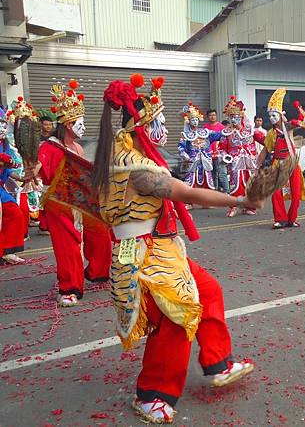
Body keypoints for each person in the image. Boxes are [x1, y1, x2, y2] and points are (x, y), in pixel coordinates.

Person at [92, 74, 260, 424]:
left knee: (208, 290)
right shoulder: (136, 166)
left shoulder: (121, 156)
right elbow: (186, 192)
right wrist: (238, 199)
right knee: (177, 316)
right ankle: (152, 393)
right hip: (145, 253)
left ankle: (219, 363)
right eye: (160, 123)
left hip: (163, 247)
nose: (165, 130)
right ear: (141, 126)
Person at [37, 80, 112, 307]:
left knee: (101, 232)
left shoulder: (78, 147)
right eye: (80, 122)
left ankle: (97, 271)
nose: (84, 126)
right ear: (69, 124)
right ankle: (69, 287)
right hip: (59, 204)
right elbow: (40, 170)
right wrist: (33, 168)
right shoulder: (49, 147)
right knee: (67, 245)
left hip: (82, 200)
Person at [257, 88, 305, 229]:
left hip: (291, 163)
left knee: (296, 190)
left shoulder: (288, 128)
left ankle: (292, 219)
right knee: (276, 193)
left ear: (281, 115)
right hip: (277, 164)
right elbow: (265, 150)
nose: (272, 118)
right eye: (270, 116)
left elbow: (301, 123)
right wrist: (257, 165)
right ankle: (280, 219)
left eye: (274, 115)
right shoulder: (270, 133)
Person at [219, 96, 265, 217]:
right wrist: (226, 157)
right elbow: (221, 148)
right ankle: (233, 206)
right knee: (235, 184)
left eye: (237, 117)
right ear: (229, 118)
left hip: (250, 161)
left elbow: (263, 140)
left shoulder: (250, 130)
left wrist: (274, 143)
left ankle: (250, 206)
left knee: (251, 184)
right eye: (232, 117)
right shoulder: (226, 132)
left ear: (241, 117)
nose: (234, 119)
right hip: (235, 161)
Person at [0, 106, 26, 265]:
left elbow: (9, 171)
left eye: (4, 124)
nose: (3, 127)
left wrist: (23, 178)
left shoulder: (5, 144)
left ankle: (7, 250)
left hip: (1, 188)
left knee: (15, 213)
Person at [178, 102, 221, 190]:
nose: (195, 122)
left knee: (207, 179)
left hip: (205, 159)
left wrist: (226, 131)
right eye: (193, 120)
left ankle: (207, 199)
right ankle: (189, 199)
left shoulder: (205, 132)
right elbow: (181, 147)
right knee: (191, 180)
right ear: (189, 121)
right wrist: (185, 156)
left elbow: (217, 135)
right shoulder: (186, 134)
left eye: (197, 119)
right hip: (193, 160)